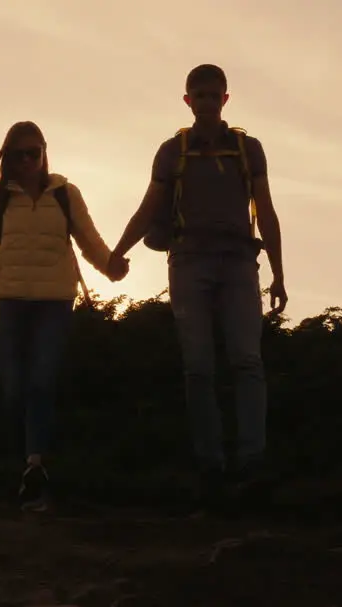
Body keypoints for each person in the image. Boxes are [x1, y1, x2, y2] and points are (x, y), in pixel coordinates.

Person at [106, 63, 288, 503]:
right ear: (187, 101)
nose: (206, 102)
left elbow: (265, 209)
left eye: (213, 95)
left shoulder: (248, 149)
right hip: (189, 262)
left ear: (226, 99)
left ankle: (250, 463)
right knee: (199, 367)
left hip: (239, 261)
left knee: (247, 361)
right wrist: (118, 251)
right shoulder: (173, 151)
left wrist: (280, 273)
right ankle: (210, 467)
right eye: (198, 95)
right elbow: (150, 206)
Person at [0, 120, 128, 512]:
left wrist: (112, 267)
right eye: (20, 154)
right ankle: (22, 464)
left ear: (45, 151)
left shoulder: (66, 194)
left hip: (54, 302)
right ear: (8, 158)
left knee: (41, 382)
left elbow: (89, 240)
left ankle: (35, 465)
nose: (29, 160)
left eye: (35, 151)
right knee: (14, 388)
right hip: (9, 303)